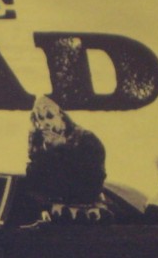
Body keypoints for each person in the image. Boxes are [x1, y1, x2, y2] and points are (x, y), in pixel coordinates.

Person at [22, 94, 108, 222]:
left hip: (84, 214)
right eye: (40, 118)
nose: (45, 123)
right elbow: (33, 183)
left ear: (61, 116)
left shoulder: (86, 139)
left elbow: (91, 182)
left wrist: (61, 149)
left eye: (50, 116)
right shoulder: (40, 143)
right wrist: (45, 152)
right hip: (52, 214)